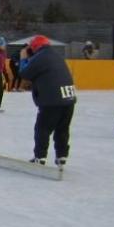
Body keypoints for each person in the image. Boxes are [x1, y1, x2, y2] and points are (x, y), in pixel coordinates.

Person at [16, 35, 76, 165]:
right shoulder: (56, 55)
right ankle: (62, 155)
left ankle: (40, 156)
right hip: (69, 98)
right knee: (62, 128)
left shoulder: (40, 57)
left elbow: (24, 73)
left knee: (42, 128)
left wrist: (23, 58)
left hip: (52, 100)